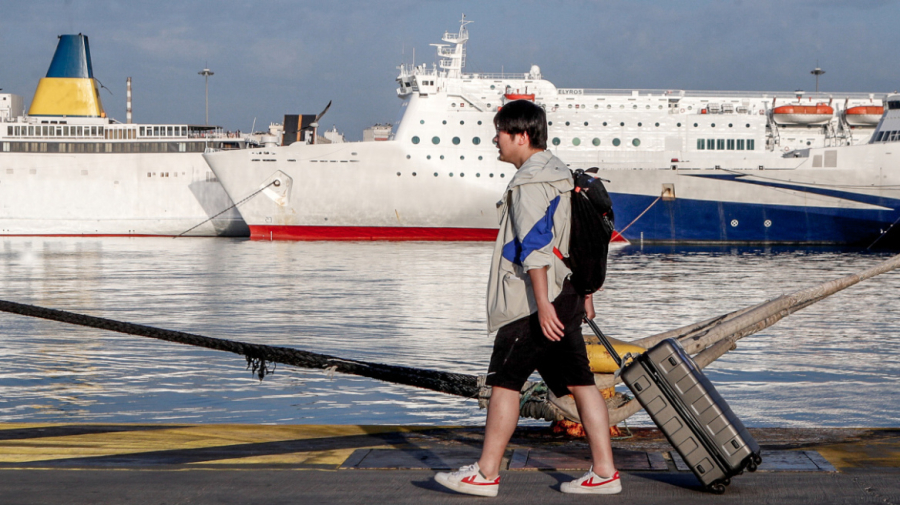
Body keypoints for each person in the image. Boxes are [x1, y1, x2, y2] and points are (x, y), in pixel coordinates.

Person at [434, 100, 620, 497]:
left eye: (500, 132)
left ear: (521, 135)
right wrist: (583, 294)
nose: (494, 140)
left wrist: (543, 304)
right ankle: (604, 472)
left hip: (533, 302)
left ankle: (484, 474)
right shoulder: (561, 173)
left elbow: (536, 247)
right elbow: (573, 241)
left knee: (505, 383)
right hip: (566, 291)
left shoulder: (530, 182)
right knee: (581, 383)